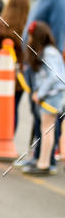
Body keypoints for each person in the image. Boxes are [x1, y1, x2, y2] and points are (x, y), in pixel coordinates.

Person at [21, 0, 65, 171]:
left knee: (47, 120)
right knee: (39, 118)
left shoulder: (58, 1)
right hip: (35, 69)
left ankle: (46, 161)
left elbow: (55, 38)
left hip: (44, 72)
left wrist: (42, 67)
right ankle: (36, 157)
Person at [22, 21, 65, 175]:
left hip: (52, 96)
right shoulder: (49, 51)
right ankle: (43, 162)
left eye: (32, 36)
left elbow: (55, 77)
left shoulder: (49, 53)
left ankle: (44, 163)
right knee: (46, 129)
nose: (30, 39)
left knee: (47, 129)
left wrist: (39, 94)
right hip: (52, 95)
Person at [0, 0, 30, 131]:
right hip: (18, 77)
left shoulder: (1, 25)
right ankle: (8, 137)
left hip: (0, 76)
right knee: (12, 109)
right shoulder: (27, 28)